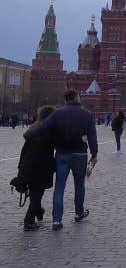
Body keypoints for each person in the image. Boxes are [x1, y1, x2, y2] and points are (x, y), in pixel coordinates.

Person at [23, 89, 98, 231]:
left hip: (62, 154)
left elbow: (42, 127)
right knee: (79, 185)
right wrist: (94, 154)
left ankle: (57, 220)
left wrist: (28, 133)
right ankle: (79, 212)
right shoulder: (87, 115)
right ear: (77, 98)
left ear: (66, 100)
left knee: (59, 187)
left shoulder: (57, 113)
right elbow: (92, 136)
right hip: (80, 155)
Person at [14, 105, 56, 231]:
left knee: (34, 193)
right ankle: (29, 221)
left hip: (27, 163)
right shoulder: (50, 130)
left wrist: (21, 166)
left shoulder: (33, 128)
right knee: (37, 194)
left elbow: (25, 148)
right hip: (41, 166)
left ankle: (38, 212)